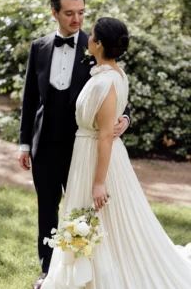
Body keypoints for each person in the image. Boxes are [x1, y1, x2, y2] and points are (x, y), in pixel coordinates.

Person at [41, 17, 191, 289]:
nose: (87, 37)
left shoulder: (105, 83)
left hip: (98, 158)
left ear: (98, 44)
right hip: (87, 152)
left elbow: (105, 136)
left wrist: (99, 182)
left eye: (92, 36)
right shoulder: (110, 74)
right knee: (89, 217)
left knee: (100, 216)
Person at [18, 0, 130, 288]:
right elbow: (30, 98)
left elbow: (113, 87)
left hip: (83, 149)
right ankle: (48, 270)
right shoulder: (38, 47)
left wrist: (125, 118)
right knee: (47, 208)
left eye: (81, 12)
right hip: (45, 145)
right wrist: (24, 143)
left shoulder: (96, 45)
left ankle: (88, 271)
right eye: (69, 13)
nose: (77, 19)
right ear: (54, 12)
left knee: (84, 209)